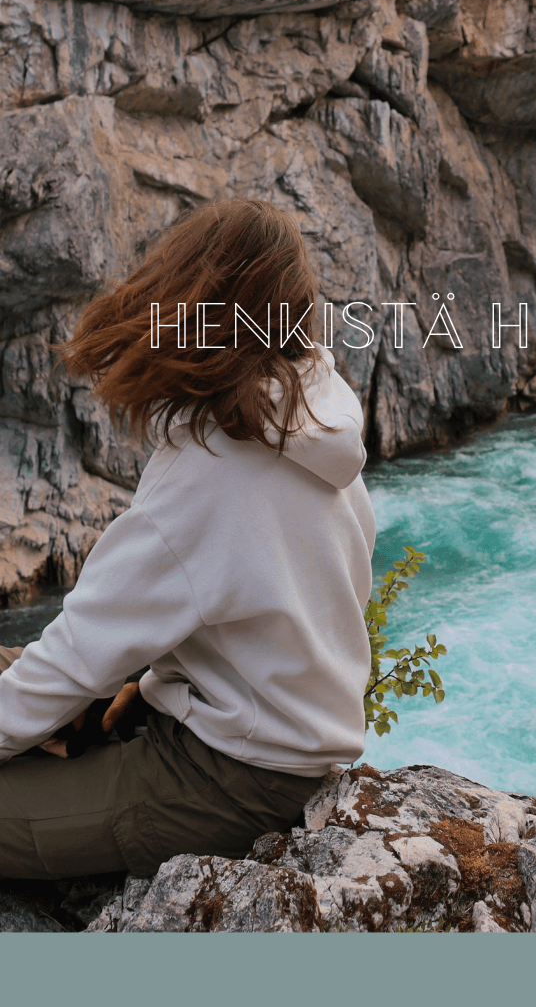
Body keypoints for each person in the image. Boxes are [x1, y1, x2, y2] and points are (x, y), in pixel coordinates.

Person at [0, 198, 375, 880]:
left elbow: (80, 657)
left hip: (230, 777)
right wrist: (147, 688)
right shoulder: (314, 414)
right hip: (269, 738)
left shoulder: (209, 470)